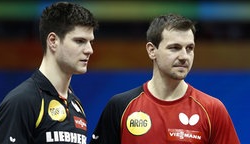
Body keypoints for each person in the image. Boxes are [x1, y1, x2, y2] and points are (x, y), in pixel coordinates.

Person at [90, 14, 240, 144]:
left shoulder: (213, 109)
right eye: (174, 48)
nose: (184, 57)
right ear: (152, 50)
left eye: (189, 48)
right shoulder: (120, 106)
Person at [0, 2, 98, 143]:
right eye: (80, 41)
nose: (89, 50)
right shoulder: (22, 101)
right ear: (53, 41)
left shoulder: (76, 105)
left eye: (90, 42)